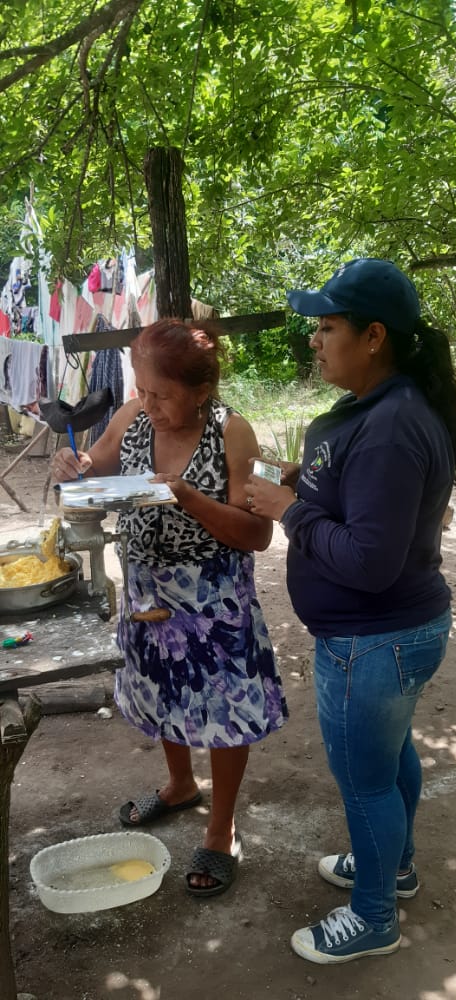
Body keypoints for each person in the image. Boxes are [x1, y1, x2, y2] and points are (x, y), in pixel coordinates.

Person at [244, 258, 456, 963]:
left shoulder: (392, 425)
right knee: (390, 758)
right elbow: (363, 499)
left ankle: (372, 918)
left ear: (373, 337)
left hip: (373, 639)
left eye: (327, 326)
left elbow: (369, 561)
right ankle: (393, 869)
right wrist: (304, 483)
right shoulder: (384, 409)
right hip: (392, 634)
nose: (314, 339)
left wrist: (291, 510)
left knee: (365, 783)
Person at [52, 318, 288, 897]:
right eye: (142, 389)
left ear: (200, 391)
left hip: (213, 596)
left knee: (226, 707)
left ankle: (221, 827)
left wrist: (185, 496)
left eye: (161, 394)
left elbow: (258, 534)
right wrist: (74, 466)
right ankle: (181, 784)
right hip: (147, 590)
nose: (148, 403)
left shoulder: (235, 433)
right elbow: (96, 466)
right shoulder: (134, 416)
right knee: (161, 690)